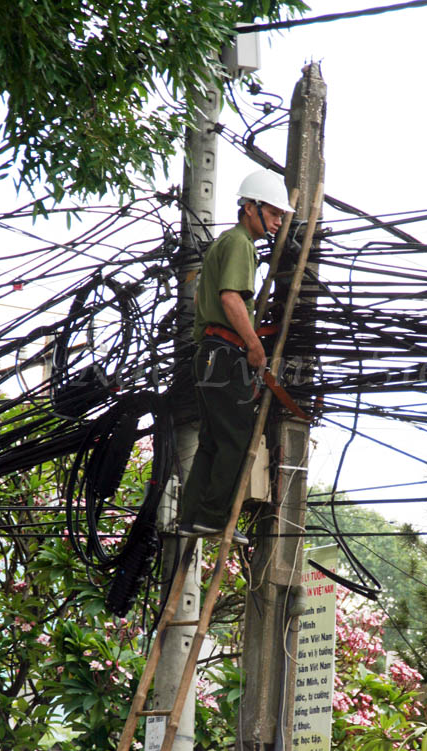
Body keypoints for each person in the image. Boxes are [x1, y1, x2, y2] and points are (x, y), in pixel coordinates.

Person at [178, 170, 294, 545]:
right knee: (237, 437)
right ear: (250, 208)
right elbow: (230, 298)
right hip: (225, 354)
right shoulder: (241, 243)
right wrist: (254, 345)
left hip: (209, 354)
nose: (278, 222)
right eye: (274, 214)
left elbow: (202, 300)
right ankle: (213, 518)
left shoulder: (223, 244)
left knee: (213, 438)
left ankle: (192, 517)